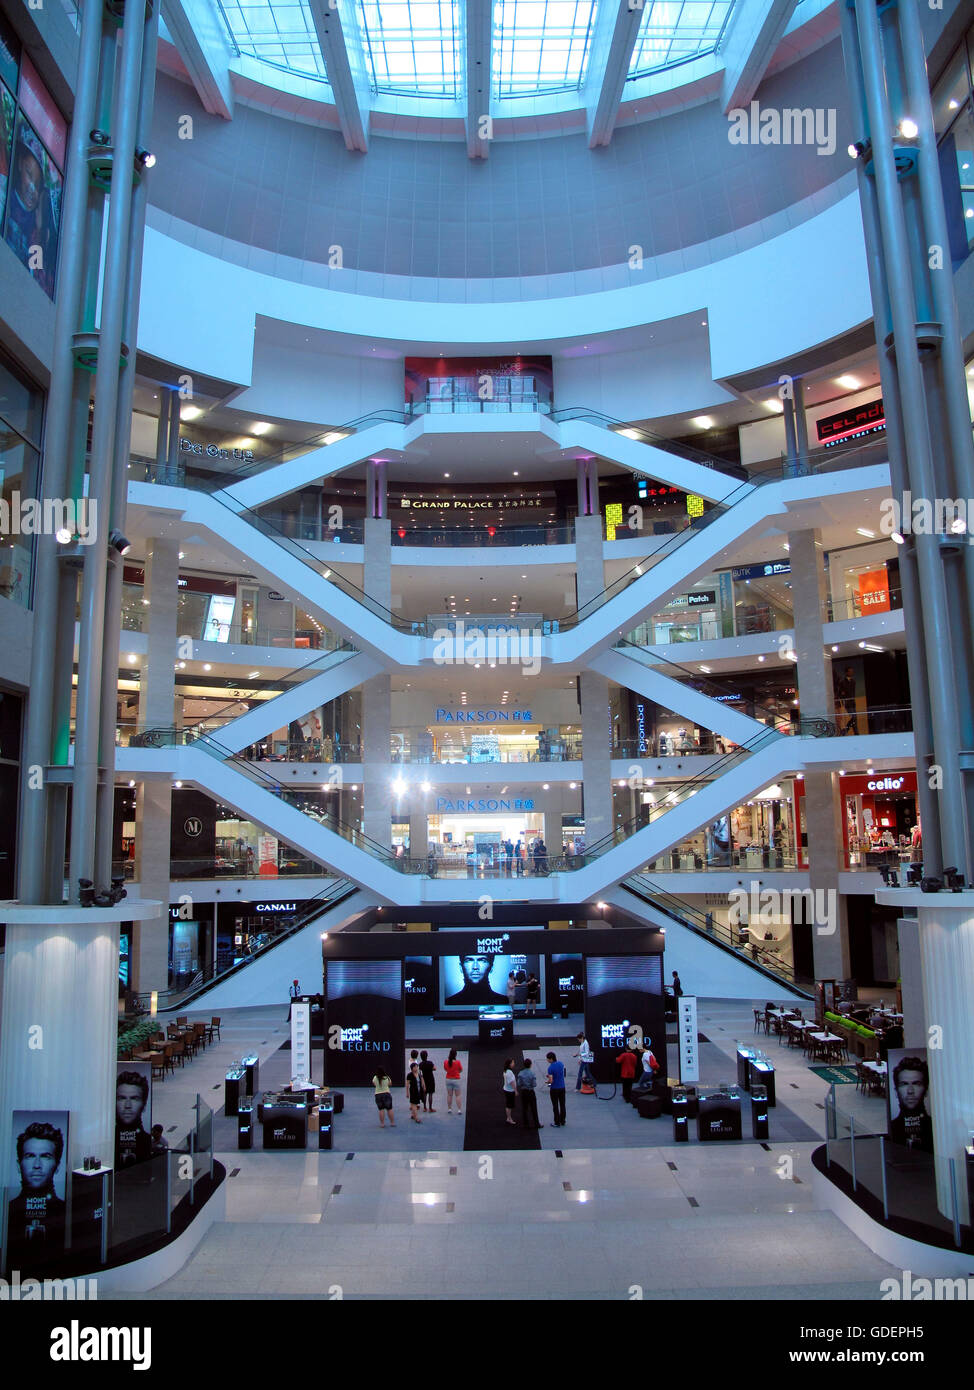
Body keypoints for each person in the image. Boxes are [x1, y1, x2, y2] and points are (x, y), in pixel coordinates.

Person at [7, 1121, 67, 1268]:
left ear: (58, 1166)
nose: (37, 1165)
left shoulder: (68, 1212)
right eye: (30, 1156)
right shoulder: (6, 1213)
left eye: (46, 1156)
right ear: (18, 1165)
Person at [889, 1055, 933, 1152]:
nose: (910, 1091)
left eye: (916, 1084)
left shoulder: (936, 1127)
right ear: (896, 1091)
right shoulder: (891, 1130)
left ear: (926, 1090)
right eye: (904, 1084)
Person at [115, 1070, 152, 1167]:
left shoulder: (149, 1143)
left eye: (134, 1098)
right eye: (122, 1098)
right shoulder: (106, 1144)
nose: (127, 1105)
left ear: (144, 1105)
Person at [444, 953, 508, 1006]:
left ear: (491, 967)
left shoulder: (506, 1003)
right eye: (469, 960)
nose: (475, 967)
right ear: (461, 967)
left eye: (482, 960)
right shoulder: (448, 1003)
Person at [517, 1057, 543, 1129]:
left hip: (524, 1092)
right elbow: (534, 1084)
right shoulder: (532, 1073)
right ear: (530, 1065)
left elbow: (519, 1083)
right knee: (534, 1108)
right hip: (531, 1092)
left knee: (525, 1108)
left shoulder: (520, 1073)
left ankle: (526, 1124)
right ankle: (536, 1124)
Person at [545, 1051, 566, 1127]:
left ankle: (557, 1122)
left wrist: (548, 1083)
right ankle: (563, 1120)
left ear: (551, 1059)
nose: (547, 1060)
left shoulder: (550, 1068)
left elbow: (551, 1081)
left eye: (547, 1059)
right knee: (562, 1104)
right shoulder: (561, 1064)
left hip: (554, 1089)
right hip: (562, 1087)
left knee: (555, 1106)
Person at [835, 665, 857, 734]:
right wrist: (843, 698)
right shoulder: (842, 682)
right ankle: (848, 730)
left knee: (854, 717)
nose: (851, 673)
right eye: (850, 671)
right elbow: (840, 693)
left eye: (852, 671)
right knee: (854, 717)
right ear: (846, 672)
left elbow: (853, 692)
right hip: (847, 702)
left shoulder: (853, 681)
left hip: (852, 702)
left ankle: (850, 730)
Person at [502, 1058, 518, 1126]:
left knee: (509, 1105)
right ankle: (509, 1118)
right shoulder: (509, 1072)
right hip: (510, 1091)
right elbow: (511, 1082)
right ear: (509, 1064)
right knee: (509, 1105)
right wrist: (515, 1090)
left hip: (507, 1089)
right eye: (512, 1063)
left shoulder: (506, 1071)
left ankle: (509, 1117)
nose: (514, 1064)